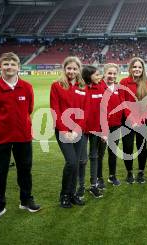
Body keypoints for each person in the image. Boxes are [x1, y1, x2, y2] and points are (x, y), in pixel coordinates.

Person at [0, 52, 41, 223]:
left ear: (18, 67)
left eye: (12, 64)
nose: (9, 67)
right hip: (0, 137)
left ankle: (26, 200)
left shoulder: (27, 87)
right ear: (0, 66)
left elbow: (28, 109)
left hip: (23, 136)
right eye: (5, 64)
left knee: (25, 169)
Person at [50, 56, 88, 208]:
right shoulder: (57, 85)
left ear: (79, 70)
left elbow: (85, 110)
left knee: (77, 164)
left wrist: (77, 130)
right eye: (69, 68)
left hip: (78, 131)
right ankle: (64, 195)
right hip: (63, 130)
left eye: (74, 68)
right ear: (64, 69)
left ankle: (72, 195)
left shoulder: (83, 87)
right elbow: (55, 110)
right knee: (71, 162)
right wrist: (65, 131)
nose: (71, 71)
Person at [120, 57, 147, 184]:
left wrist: (141, 119)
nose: (137, 69)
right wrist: (131, 118)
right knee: (127, 147)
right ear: (130, 68)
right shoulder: (124, 82)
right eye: (134, 67)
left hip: (142, 121)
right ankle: (129, 172)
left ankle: (140, 172)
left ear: (143, 69)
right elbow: (123, 102)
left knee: (142, 147)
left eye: (139, 67)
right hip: (128, 121)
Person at [97, 63, 124, 189]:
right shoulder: (98, 87)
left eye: (114, 73)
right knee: (100, 153)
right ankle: (99, 178)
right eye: (109, 73)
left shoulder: (119, 88)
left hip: (116, 125)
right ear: (104, 73)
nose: (112, 76)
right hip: (102, 127)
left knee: (113, 152)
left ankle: (112, 176)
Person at [81, 65, 104, 198]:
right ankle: (81, 186)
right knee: (82, 159)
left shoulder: (100, 87)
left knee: (94, 157)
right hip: (82, 130)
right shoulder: (81, 88)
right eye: (96, 74)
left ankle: (93, 185)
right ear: (89, 76)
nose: (99, 76)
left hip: (97, 129)